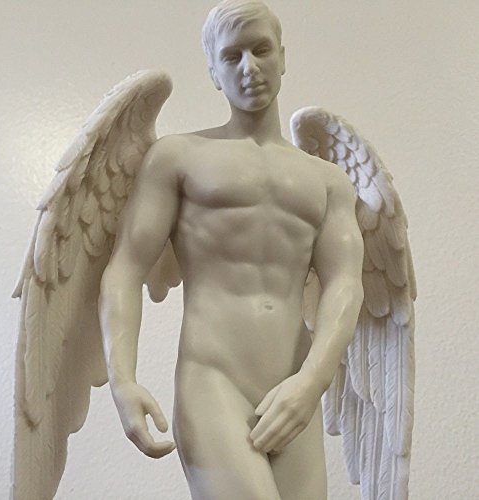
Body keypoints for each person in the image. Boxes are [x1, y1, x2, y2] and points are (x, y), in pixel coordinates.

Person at [99, 1, 364, 498]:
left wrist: (312, 383)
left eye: (261, 50)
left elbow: (345, 284)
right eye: (231, 55)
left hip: (294, 384)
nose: (250, 67)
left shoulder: (328, 180)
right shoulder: (179, 157)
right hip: (212, 378)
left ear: (282, 56)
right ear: (213, 73)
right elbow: (125, 268)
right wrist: (122, 380)